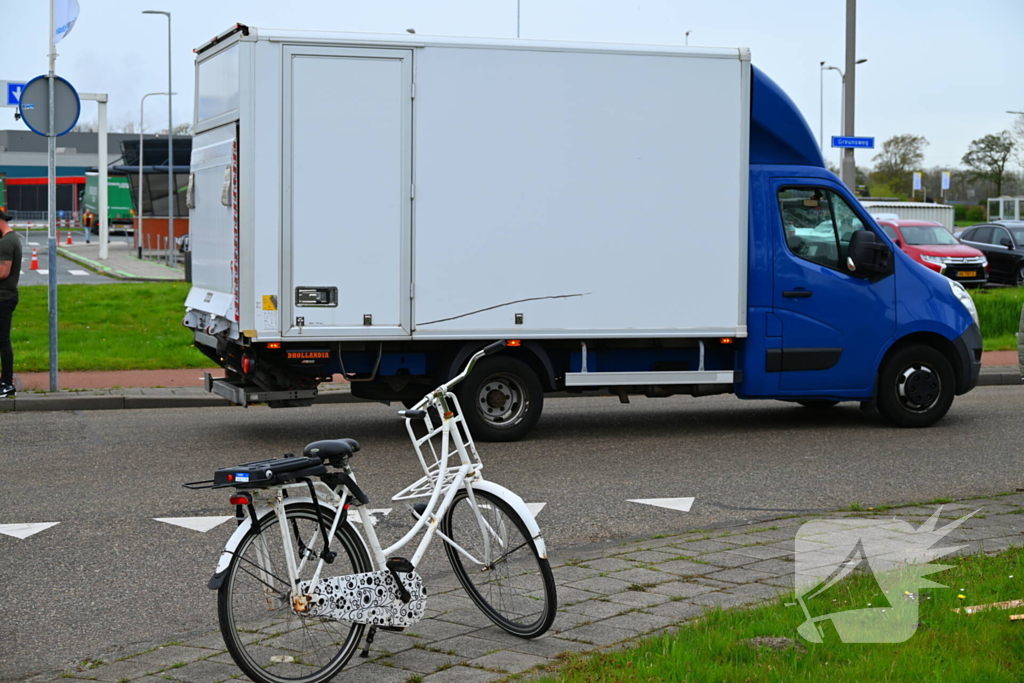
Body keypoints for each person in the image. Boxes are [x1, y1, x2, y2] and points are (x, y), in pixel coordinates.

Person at [0, 209, 22, 398]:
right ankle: (5, 381)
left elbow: (3, 272)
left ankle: (7, 383)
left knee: (3, 341)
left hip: (3, 298)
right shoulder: (10, 239)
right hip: (5, 297)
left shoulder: (7, 242)